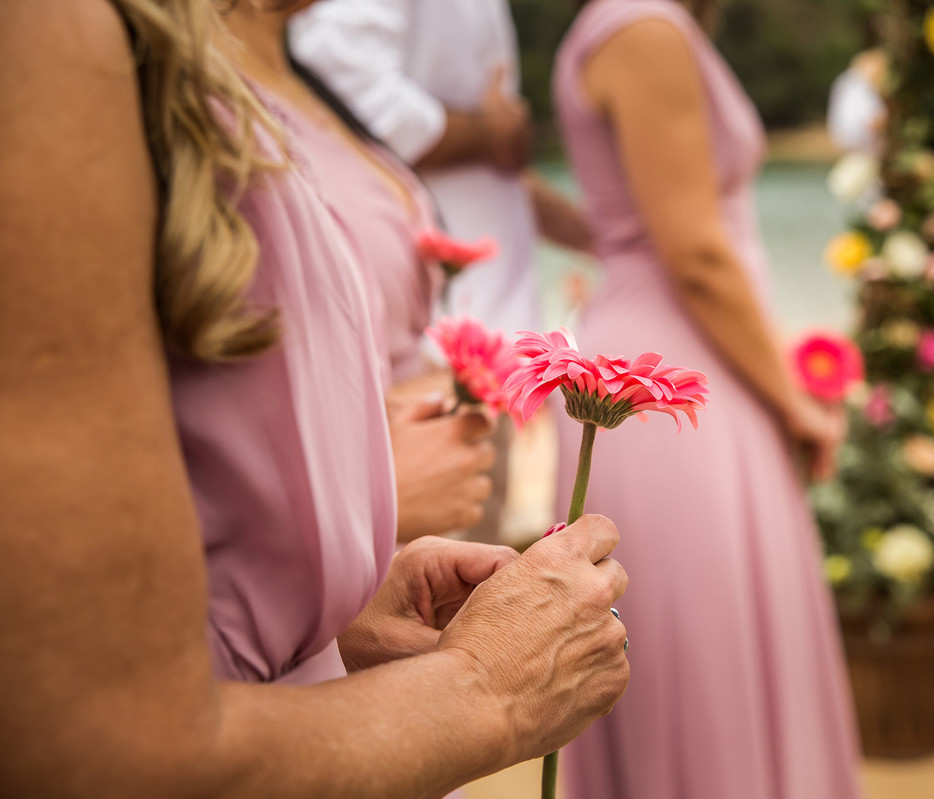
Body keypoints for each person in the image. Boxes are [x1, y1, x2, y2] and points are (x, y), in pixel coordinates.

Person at [0, 1, 628, 795]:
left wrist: (334, 618)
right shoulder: (51, 29)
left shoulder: (221, 61)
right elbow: (105, 749)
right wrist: (488, 688)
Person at [552, 1, 862, 797]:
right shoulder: (643, 31)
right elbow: (695, 253)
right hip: (670, 372)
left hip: (679, 353)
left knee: (709, 644)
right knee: (702, 656)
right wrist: (794, 400)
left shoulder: (632, 25)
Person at [289, 0, 594, 543]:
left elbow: (493, 177)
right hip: (434, 359)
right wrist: (485, 134)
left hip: (476, 349)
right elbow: (330, 71)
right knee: (442, 595)